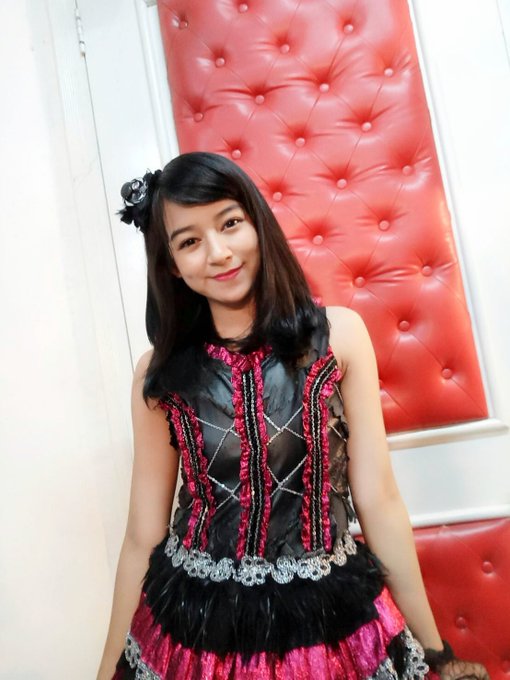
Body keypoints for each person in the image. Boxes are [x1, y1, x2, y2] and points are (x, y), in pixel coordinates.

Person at [97, 152, 489, 680]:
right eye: (189, 242)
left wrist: (435, 650)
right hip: (197, 632)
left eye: (230, 223)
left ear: (257, 223)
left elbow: (378, 499)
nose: (218, 253)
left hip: (332, 623)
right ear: (170, 264)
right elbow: (142, 536)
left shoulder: (339, 336)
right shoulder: (159, 373)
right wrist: (108, 667)